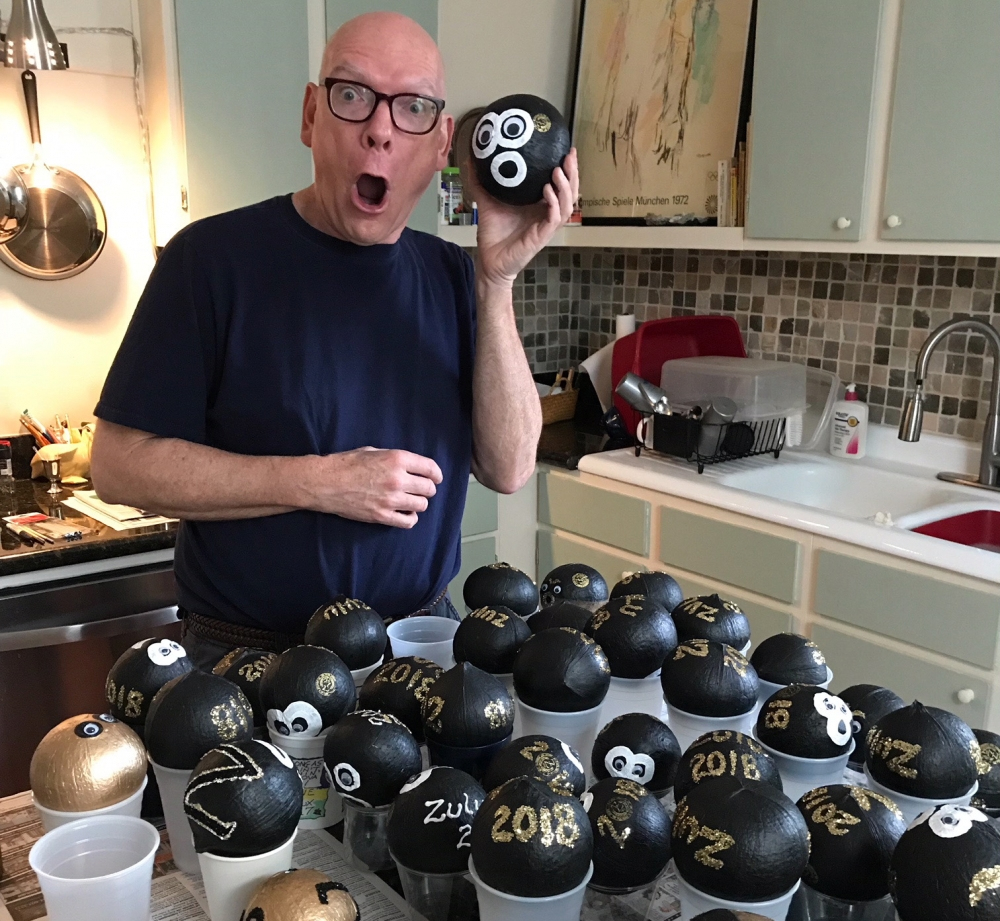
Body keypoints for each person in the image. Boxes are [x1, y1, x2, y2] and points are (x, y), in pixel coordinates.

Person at [90, 12, 579, 668]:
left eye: (411, 108)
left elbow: (510, 466)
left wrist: (496, 280)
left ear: (441, 147)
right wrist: (319, 482)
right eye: (352, 97)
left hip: (419, 646)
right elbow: (118, 465)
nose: (379, 129)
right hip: (246, 660)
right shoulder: (209, 260)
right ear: (310, 117)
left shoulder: (457, 276)